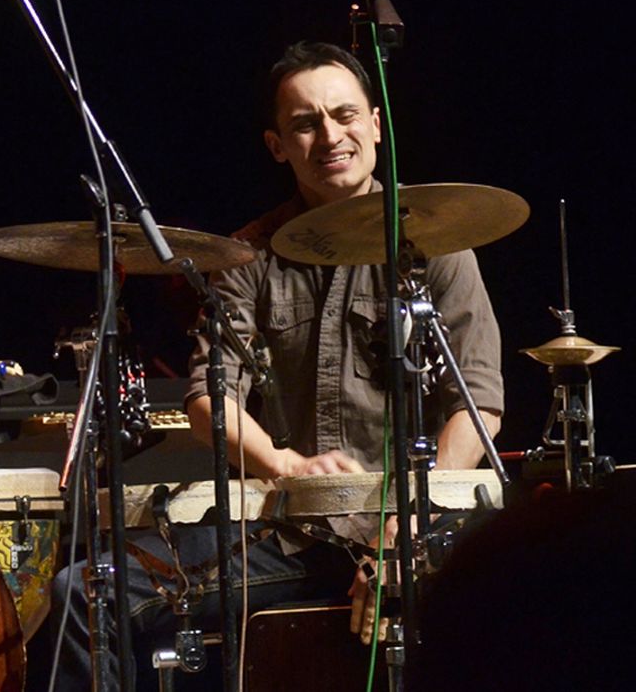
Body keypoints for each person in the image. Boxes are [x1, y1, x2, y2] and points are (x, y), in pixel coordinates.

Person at [27, 41, 504, 691]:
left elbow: (477, 403)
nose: (329, 134)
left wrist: (408, 529)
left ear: (375, 123)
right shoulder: (248, 255)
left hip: (415, 528)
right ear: (278, 144)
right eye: (306, 122)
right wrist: (291, 467)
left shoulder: (438, 246)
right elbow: (208, 400)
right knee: (83, 592)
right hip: (291, 534)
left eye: (343, 114)